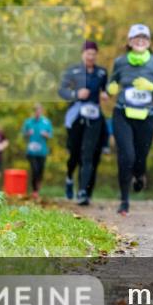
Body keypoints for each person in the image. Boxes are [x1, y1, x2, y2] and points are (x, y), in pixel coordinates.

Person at [106, 24, 153, 216]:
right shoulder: (120, 62)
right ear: (129, 41)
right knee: (126, 156)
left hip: (146, 117)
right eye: (136, 37)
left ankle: (140, 174)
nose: (140, 41)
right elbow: (112, 83)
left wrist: (151, 87)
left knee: (140, 157)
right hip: (122, 113)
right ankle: (124, 201)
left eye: (144, 38)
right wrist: (111, 89)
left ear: (149, 43)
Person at [58, 40, 108, 205]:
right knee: (74, 154)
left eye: (93, 54)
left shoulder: (102, 72)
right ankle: (69, 177)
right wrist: (76, 94)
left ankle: (82, 191)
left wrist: (106, 94)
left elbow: (106, 88)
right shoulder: (73, 71)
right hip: (76, 116)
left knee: (88, 154)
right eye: (88, 53)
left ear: (96, 55)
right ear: (82, 54)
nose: (90, 57)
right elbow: (62, 91)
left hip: (94, 116)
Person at [22, 104, 53, 199]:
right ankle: (35, 191)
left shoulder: (46, 122)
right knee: (34, 169)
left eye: (39, 111)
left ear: (42, 111)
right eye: (36, 111)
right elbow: (23, 134)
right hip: (31, 151)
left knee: (40, 171)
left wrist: (45, 134)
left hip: (42, 151)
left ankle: (37, 188)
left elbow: (50, 135)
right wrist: (28, 133)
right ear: (34, 112)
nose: (37, 113)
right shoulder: (28, 122)